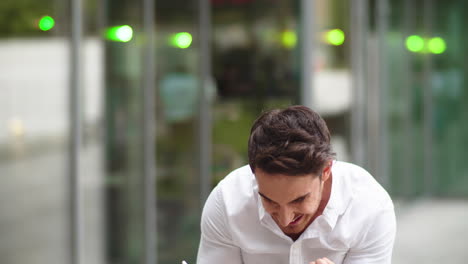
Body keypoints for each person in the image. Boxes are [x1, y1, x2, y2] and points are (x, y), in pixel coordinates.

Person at [196, 105, 396, 264]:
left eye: (299, 199)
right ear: (253, 174)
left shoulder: (370, 207)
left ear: (326, 170)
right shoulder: (227, 202)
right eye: (269, 200)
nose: (285, 219)